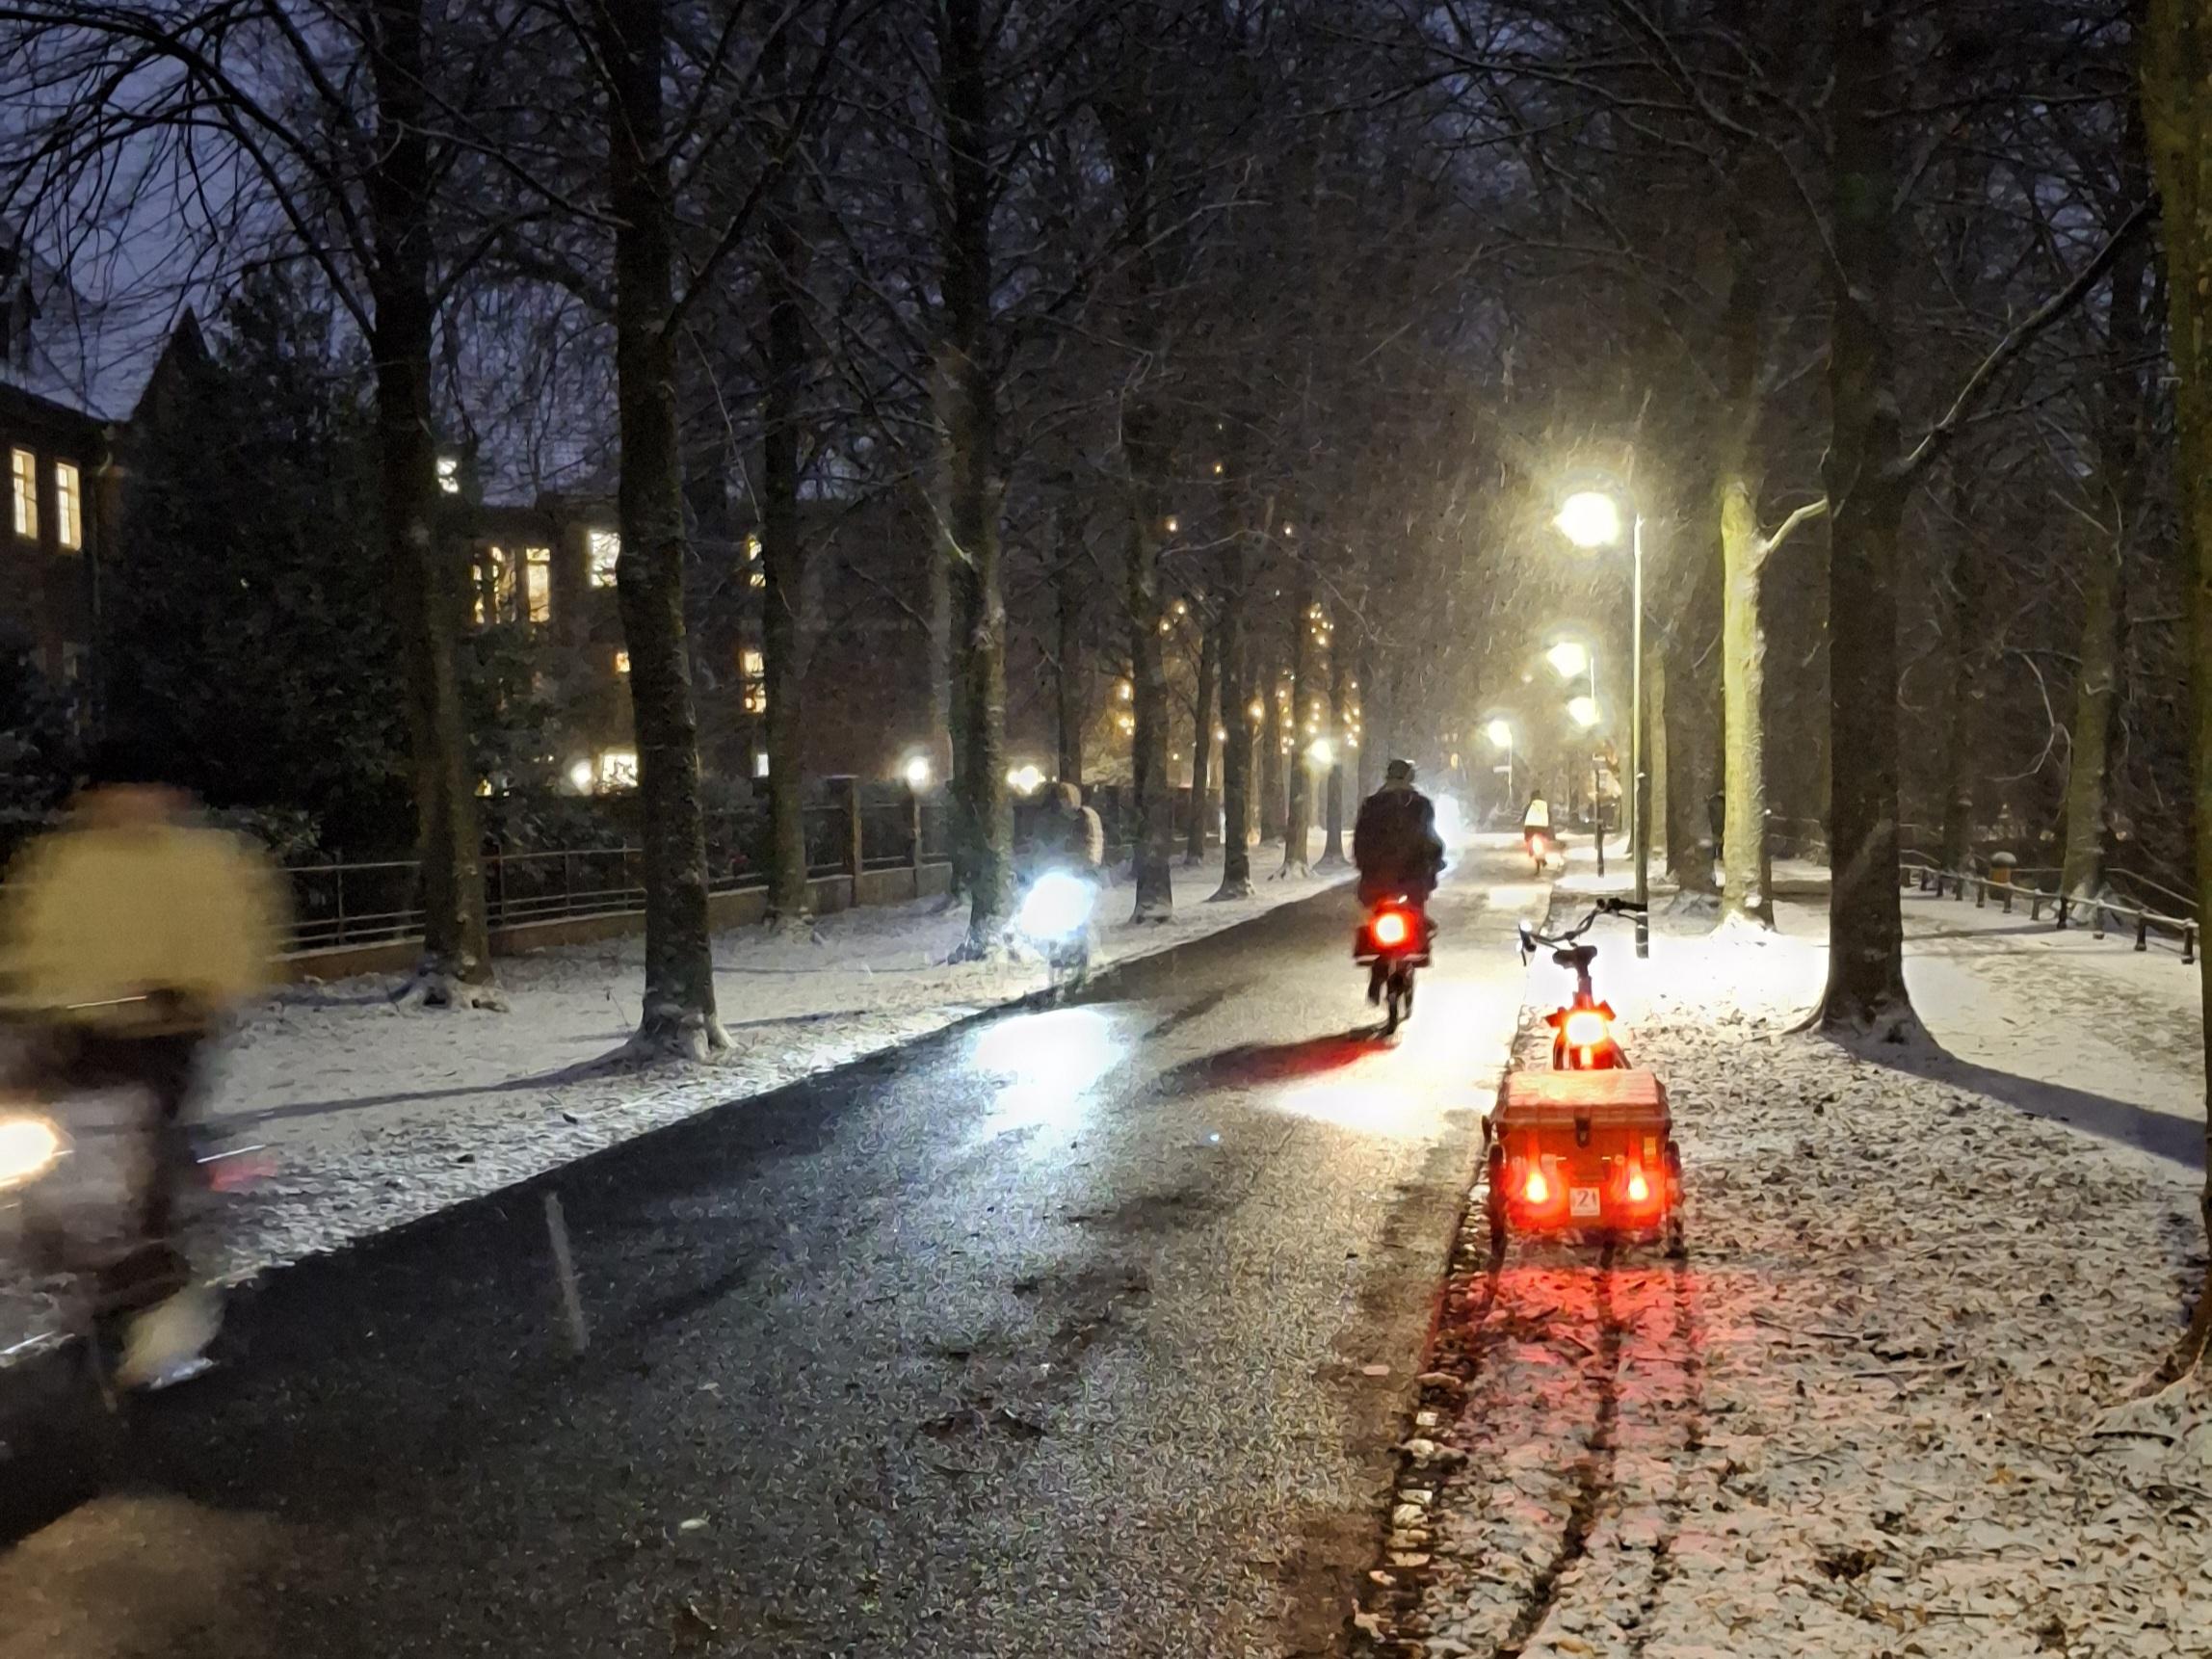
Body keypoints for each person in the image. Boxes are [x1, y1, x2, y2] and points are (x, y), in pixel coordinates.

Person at [0, 734, 286, 1386]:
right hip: (67, 1032)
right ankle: (65, 1258)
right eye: (111, 793)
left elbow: (234, 944)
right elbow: (27, 941)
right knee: (38, 1153)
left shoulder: (206, 863)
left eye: (137, 790)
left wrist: (192, 989)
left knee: (138, 1147)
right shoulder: (63, 862)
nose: (124, 805)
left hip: (162, 1033)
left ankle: (159, 1279)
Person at [1355, 759, 1446, 909]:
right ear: (1409, 777)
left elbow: (1360, 842)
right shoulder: (1420, 804)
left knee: (1369, 920)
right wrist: (1435, 862)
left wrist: (1366, 866)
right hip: (1413, 881)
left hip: (1377, 882)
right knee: (1417, 919)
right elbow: (1430, 838)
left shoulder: (1371, 805)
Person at [1038, 781, 1105, 880]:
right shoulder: (1057, 817)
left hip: (1083, 868)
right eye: (1060, 799)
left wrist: (1092, 863)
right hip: (1064, 868)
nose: (1062, 802)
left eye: (1065, 798)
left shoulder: (1086, 815)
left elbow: (1095, 839)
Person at [1522, 789, 1553, 862]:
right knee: (1544, 838)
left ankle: (1531, 849)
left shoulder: (1530, 804)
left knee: (1528, 837)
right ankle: (1543, 853)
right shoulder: (1544, 804)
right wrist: (1548, 822)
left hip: (1531, 827)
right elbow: (1549, 814)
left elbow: (1524, 815)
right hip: (1542, 827)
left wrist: (1524, 821)